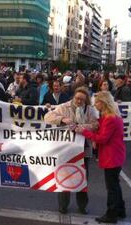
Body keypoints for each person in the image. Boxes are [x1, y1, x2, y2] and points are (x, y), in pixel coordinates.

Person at [44, 87, 98, 215]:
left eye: (82, 100)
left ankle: (82, 207)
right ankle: (63, 206)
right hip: (66, 149)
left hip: (84, 149)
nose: (79, 101)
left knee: (83, 179)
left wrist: (80, 128)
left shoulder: (90, 110)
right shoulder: (64, 107)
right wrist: (62, 119)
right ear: (73, 97)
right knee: (64, 177)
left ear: (86, 101)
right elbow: (48, 117)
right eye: (77, 98)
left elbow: (95, 125)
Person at [75, 91, 126, 223]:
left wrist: (84, 132)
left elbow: (102, 138)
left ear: (103, 103)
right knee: (115, 185)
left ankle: (111, 214)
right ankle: (120, 210)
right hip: (115, 154)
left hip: (112, 155)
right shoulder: (109, 116)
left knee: (111, 187)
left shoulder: (110, 118)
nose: (95, 104)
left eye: (97, 102)